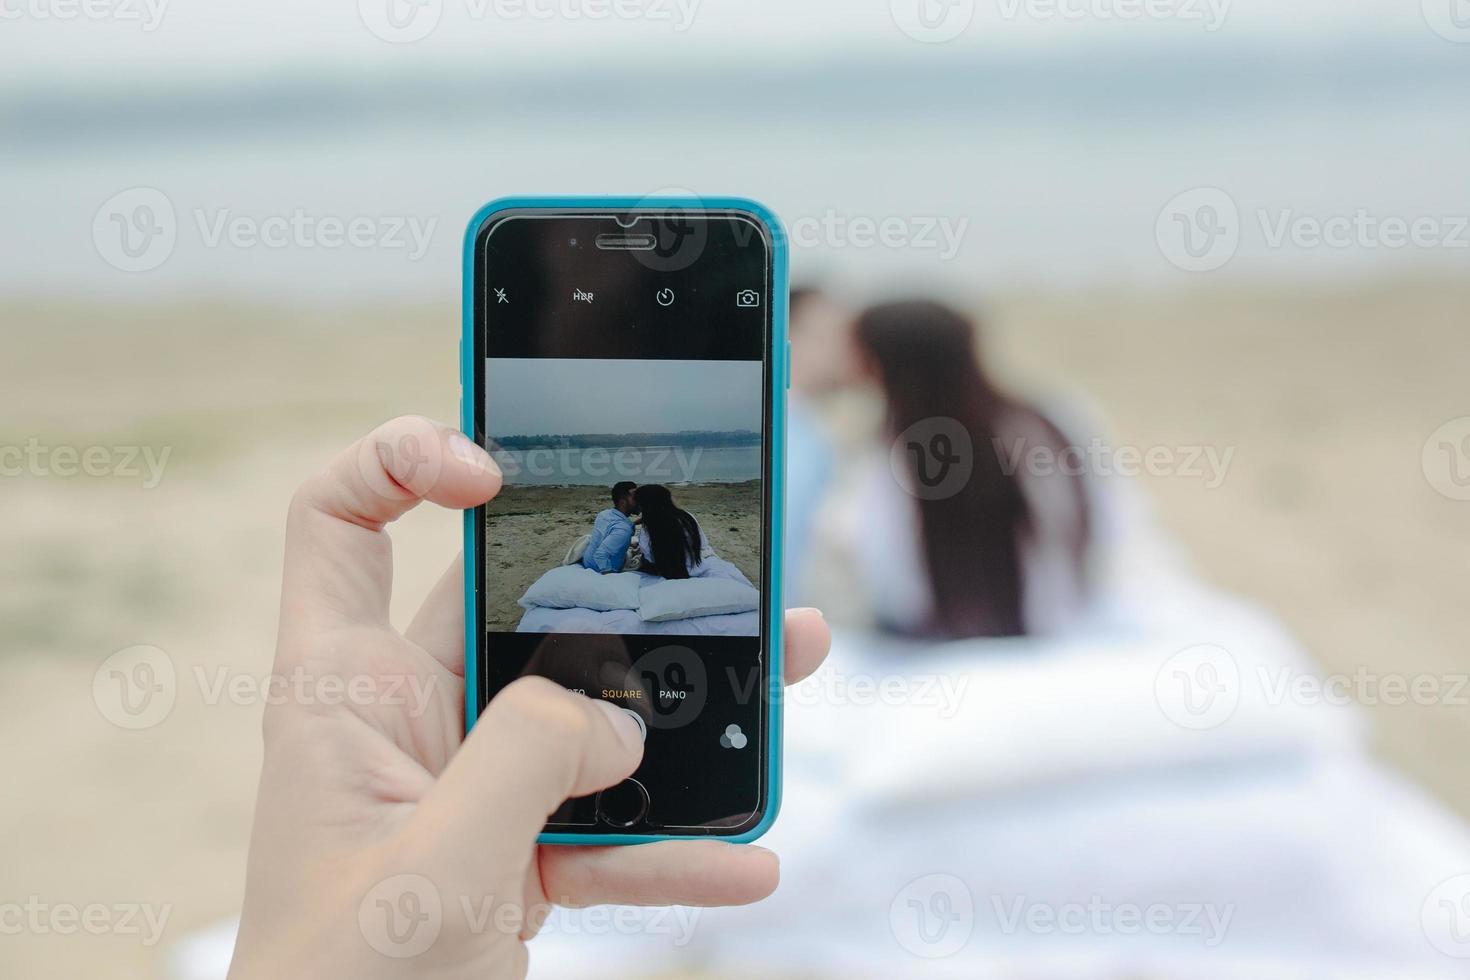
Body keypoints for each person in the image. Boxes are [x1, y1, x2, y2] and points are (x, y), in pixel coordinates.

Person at [226, 416, 830, 979]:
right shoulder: (690, 527)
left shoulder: (625, 529)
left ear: (631, 503)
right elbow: (686, 567)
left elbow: (607, 565)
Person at [850, 300, 1093, 638]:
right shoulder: (1042, 421)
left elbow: (892, 578)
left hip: (940, 641)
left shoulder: (901, 452)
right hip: (1050, 626)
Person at [632, 484, 705, 580]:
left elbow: (649, 557)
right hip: (693, 567)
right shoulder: (687, 517)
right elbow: (702, 543)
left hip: (665, 571)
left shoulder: (650, 527)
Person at [580, 480, 638, 573]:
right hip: (599, 568)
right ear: (623, 502)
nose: (639, 500)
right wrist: (609, 576)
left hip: (587, 561)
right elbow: (600, 555)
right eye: (635, 497)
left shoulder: (604, 514)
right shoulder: (623, 529)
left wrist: (634, 524)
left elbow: (612, 532)